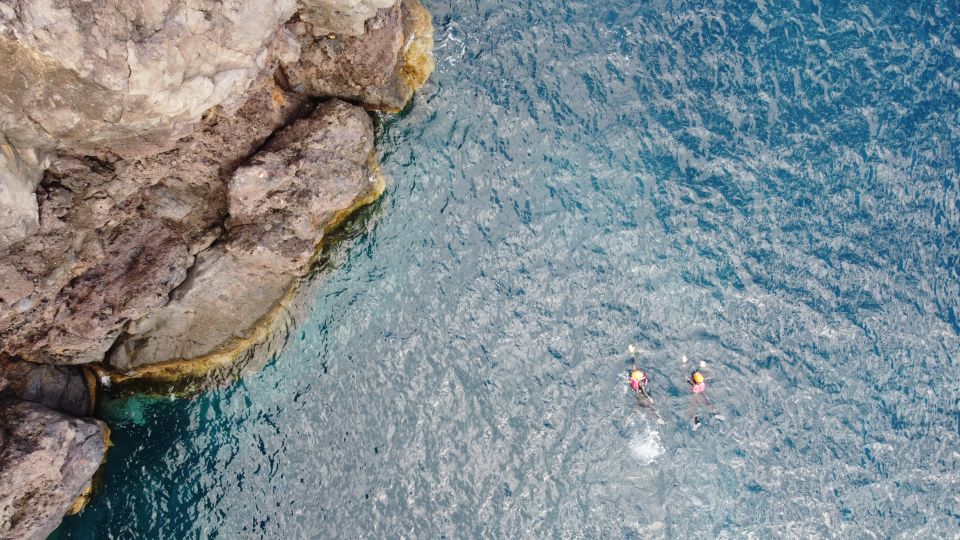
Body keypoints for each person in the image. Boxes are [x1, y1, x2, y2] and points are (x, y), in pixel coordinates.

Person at [683, 356, 723, 430]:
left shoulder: (693, 384)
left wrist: (685, 363)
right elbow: (711, 375)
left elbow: (686, 375)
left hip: (696, 394)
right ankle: (715, 413)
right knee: (707, 402)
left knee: (693, 407)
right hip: (702, 392)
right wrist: (704, 367)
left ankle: (696, 422)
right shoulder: (702, 382)